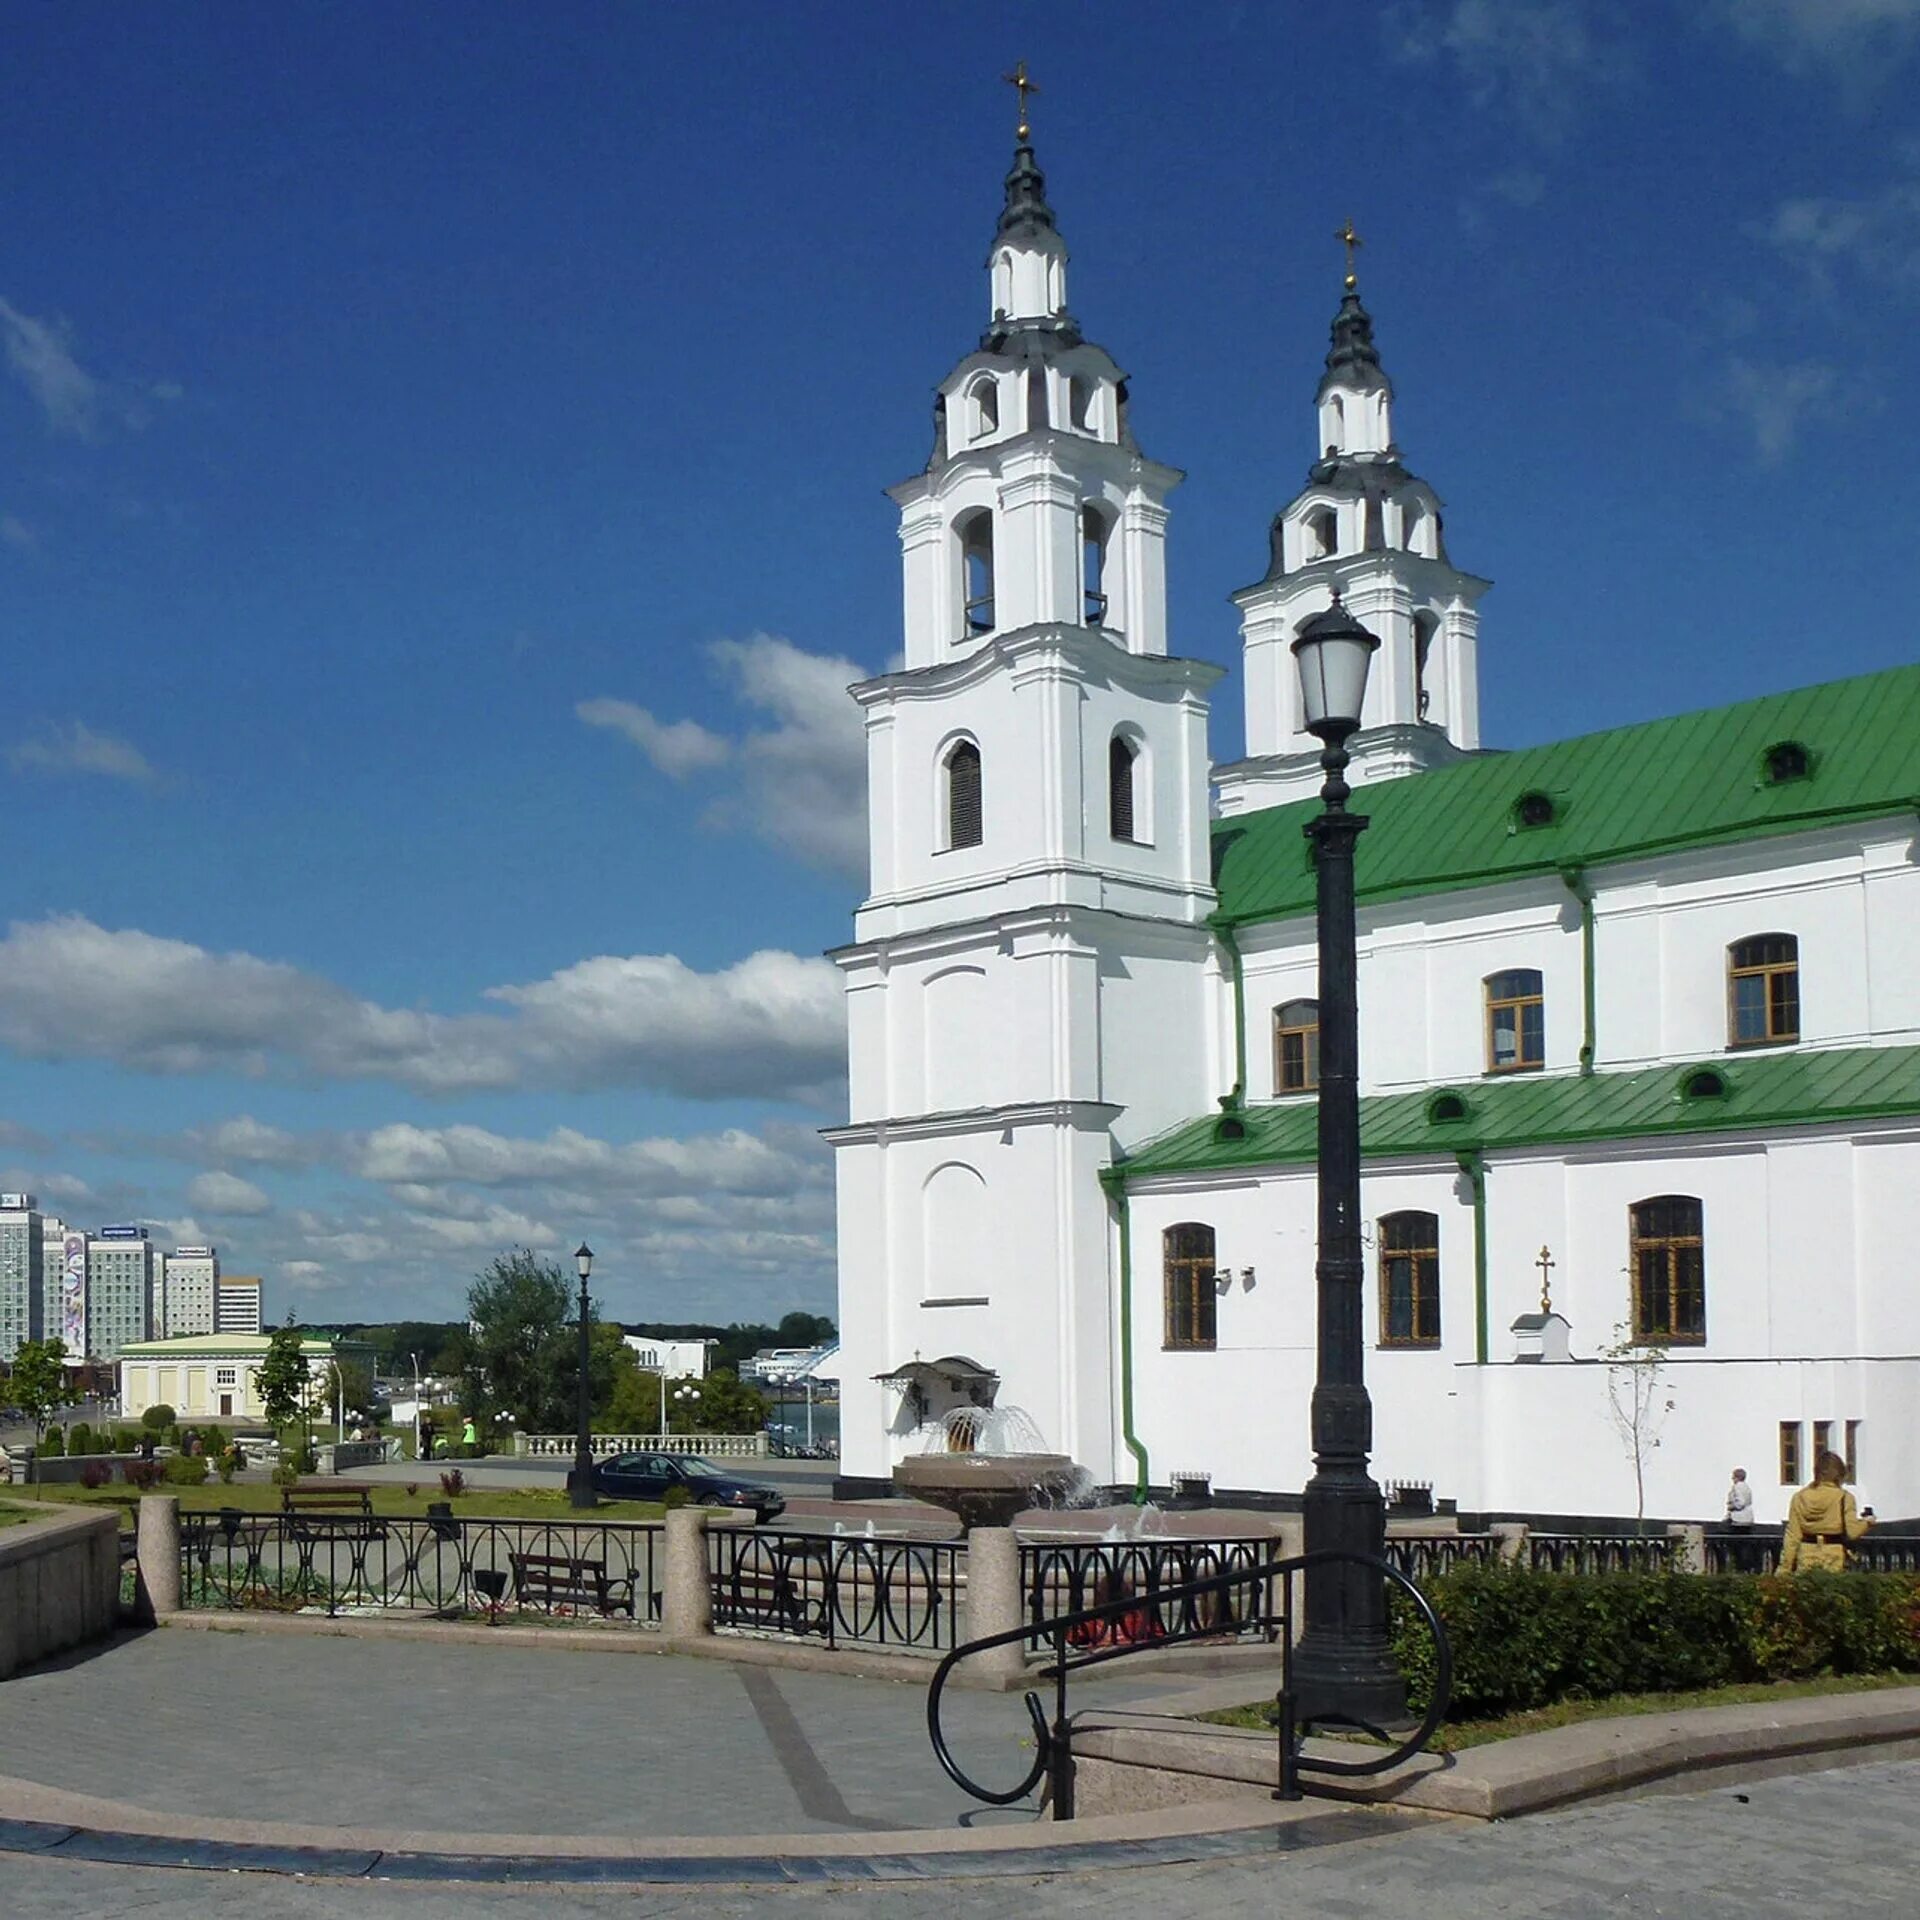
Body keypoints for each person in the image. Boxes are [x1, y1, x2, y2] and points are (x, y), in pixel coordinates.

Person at [1778, 1450, 1873, 1573]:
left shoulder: (1799, 1497)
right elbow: (1852, 1533)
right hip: (1833, 1554)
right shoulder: (1844, 1497)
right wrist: (1868, 1522)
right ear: (1839, 1474)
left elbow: (1792, 1536)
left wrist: (1785, 1568)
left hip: (1807, 1552)